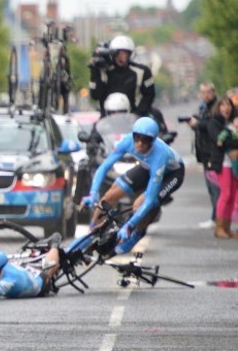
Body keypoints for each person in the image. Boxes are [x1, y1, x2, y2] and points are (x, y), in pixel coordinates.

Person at [82, 117, 185, 255]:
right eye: (137, 139)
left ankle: (137, 233)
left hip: (172, 174)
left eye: (145, 140)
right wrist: (93, 193)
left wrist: (129, 225)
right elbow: (104, 167)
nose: (140, 144)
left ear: (153, 141)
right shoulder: (127, 141)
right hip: (146, 167)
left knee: (140, 204)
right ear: (133, 136)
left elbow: (149, 199)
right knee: (110, 195)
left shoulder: (160, 155)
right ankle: (92, 230)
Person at [89, 35, 155, 117]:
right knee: (93, 129)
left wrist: (138, 114)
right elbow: (95, 95)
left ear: (130, 54)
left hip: (133, 119)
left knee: (155, 117)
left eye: (125, 53)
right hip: (107, 120)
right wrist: (95, 70)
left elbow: (149, 95)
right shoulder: (103, 71)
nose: (121, 57)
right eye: (118, 53)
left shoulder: (142, 71)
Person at [186, 83, 219, 229]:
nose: (205, 95)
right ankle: (217, 216)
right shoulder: (202, 107)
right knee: (211, 187)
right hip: (204, 153)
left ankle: (218, 218)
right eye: (203, 92)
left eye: (208, 92)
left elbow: (213, 124)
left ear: (213, 92)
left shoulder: (217, 107)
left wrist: (198, 124)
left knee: (216, 187)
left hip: (213, 152)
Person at [207, 97, 238, 238]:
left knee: (232, 195)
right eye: (223, 105)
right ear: (218, 108)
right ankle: (219, 227)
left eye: (228, 105)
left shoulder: (232, 122)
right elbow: (219, 140)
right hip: (223, 163)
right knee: (225, 194)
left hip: (235, 164)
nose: (226, 108)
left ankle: (227, 227)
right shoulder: (214, 123)